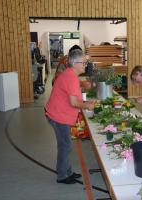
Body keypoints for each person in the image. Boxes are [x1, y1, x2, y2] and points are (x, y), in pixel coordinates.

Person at [45, 49, 95, 184]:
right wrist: (88, 106)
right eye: (84, 62)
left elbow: (73, 96)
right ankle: (62, 176)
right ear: (75, 63)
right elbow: (74, 103)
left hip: (58, 113)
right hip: (58, 116)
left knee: (66, 144)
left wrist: (84, 101)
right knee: (65, 145)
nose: (85, 65)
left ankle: (67, 171)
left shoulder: (70, 74)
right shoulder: (71, 77)